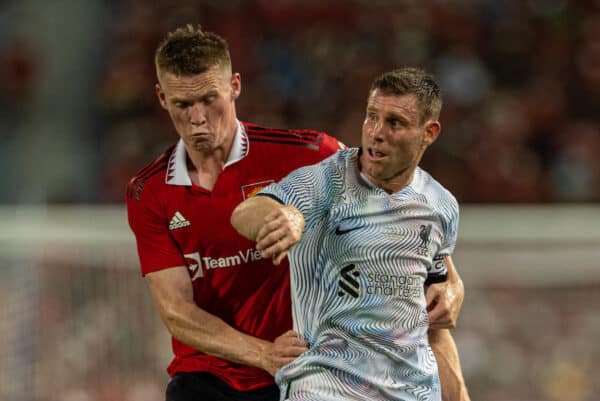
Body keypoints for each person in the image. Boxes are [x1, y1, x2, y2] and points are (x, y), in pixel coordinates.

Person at [126, 25, 466, 401]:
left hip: (302, 370)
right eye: (183, 105)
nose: (199, 118)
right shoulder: (149, 191)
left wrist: (448, 277)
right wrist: (262, 353)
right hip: (207, 375)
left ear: (235, 86)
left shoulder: (307, 155)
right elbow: (175, 310)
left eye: (209, 99)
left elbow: (389, 198)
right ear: (161, 97)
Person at [231, 67, 469, 401]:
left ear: (429, 132)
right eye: (372, 117)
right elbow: (245, 214)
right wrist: (281, 216)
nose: (376, 132)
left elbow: (434, 323)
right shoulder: (326, 181)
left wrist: (458, 394)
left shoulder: (441, 205)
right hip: (325, 386)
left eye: (394, 123)